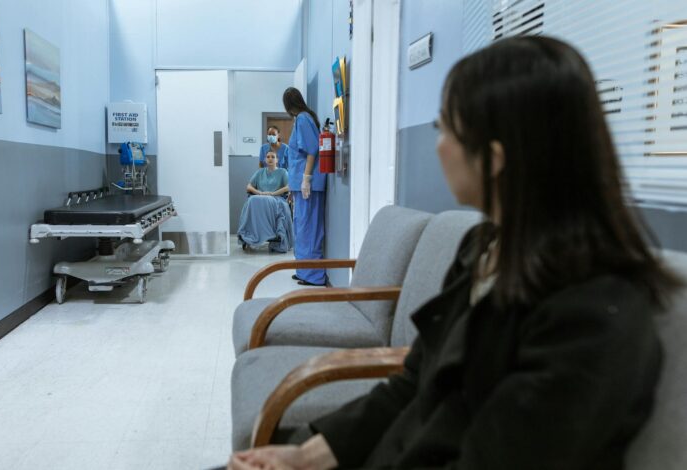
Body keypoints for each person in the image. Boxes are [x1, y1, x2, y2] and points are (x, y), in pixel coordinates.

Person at [227, 36, 682, 470]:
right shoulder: (484, 251)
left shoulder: (592, 317)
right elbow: (413, 383)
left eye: (444, 126)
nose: (437, 143)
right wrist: (305, 457)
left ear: (495, 157)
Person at [282, 87, 327, 286]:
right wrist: (294, 187)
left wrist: (306, 178)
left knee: (309, 229)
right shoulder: (301, 119)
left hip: (308, 185)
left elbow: (312, 150)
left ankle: (314, 276)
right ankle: (303, 270)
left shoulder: (302, 119)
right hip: (300, 187)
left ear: (288, 105)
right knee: (301, 227)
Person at [239, 151, 293, 253]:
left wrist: (273, 194)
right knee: (252, 200)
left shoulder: (283, 172)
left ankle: (273, 234)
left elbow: (288, 186)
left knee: (268, 202)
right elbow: (249, 186)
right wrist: (259, 192)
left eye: (273, 157)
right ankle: (250, 233)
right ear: (265, 160)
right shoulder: (260, 172)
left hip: (277, 198)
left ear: (277, 160)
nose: (270, 159)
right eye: (268, 157)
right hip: (259, 197)